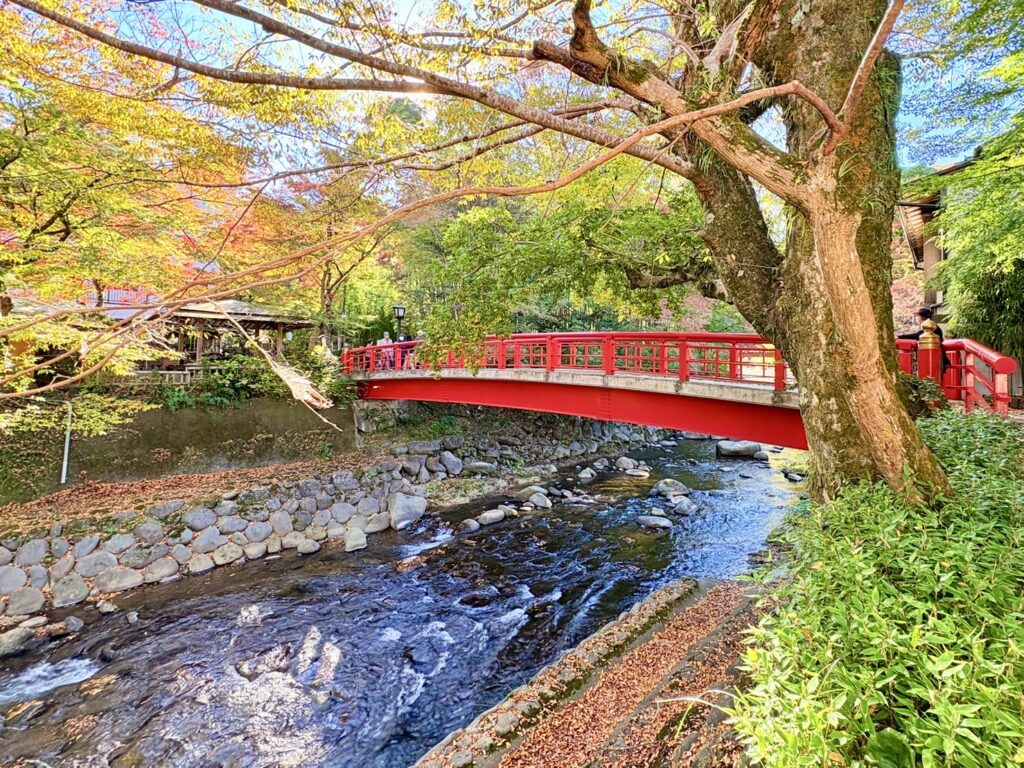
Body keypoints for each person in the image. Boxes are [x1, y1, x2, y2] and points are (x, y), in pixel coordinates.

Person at [898, 307, 946, 373]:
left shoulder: (930, 326)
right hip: (935, 353)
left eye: (917, 316)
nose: (916, 318)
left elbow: (917, 335)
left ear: (921, 317)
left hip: (933, 354)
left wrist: (900, 337)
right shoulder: (932, 325)